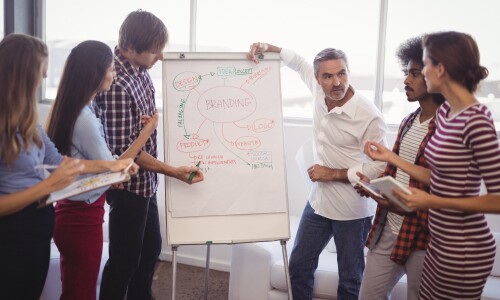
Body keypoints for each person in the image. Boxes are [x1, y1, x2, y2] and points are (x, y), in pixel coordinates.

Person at [0, 33, 136, 300]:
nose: (44, 77)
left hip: (39, 227)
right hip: (12, 234)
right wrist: (47, 186)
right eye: (40, 71)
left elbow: (63, 162)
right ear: (21, 74)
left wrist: (113, 164)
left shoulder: (29, 122)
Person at [365, 31, 500, 299]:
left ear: (441, 68)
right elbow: (437, 175)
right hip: (440, 242)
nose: (420, 73)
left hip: (464, 248)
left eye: (424, 66)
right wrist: (390, 158)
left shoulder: (477, 120)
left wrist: (430, 201)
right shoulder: (449, 114)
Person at [249, 42, 387, 299]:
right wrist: (269, 47)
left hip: (352, 212)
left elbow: (380, 166)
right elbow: (298, 61)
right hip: (319, 203)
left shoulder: (369, 116)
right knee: (298, 267)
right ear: (317, 78)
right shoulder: (317, 91)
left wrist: (333, 173)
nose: (336, 82)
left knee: (350, 281)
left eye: (342, 73)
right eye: (328, 76)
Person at [92, 10, 204, 300]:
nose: (161, 57)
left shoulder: (139, 69)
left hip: (146, 184)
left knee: (151, 248)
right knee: (124, 260)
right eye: (155, 51)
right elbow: (127, 153)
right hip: (128, 185)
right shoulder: (116, 83)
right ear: (130, 48)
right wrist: (175, 171)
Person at [45, 40, 158, 300]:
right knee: (81, 292)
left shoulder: (76, 109)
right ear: (94, 73)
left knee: (74, 288)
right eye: (109, 68)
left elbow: (108, 168)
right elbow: (115, 170)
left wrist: (114, 171)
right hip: (82, 220)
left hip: (71, 215)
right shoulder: (85, 119)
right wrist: (146, 133)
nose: (114, 73)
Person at [356, 36, 444, 300]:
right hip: (388, 228)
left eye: (415, 74)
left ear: (435, 75)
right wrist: (371, 184)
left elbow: (444, 183)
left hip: (423, 237)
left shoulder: (449, 125)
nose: (406, 80)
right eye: (407, 73)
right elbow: (397, 173)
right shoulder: (409, 120)